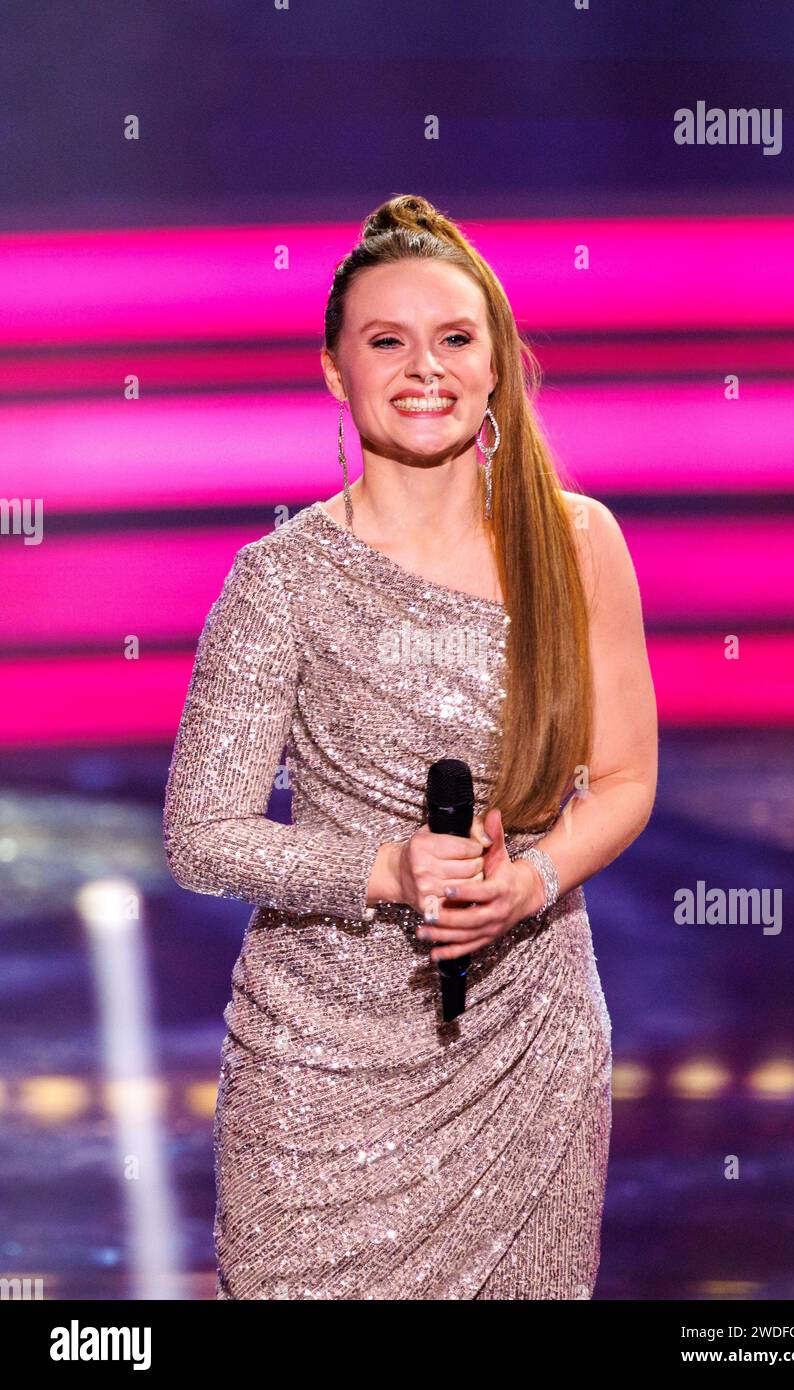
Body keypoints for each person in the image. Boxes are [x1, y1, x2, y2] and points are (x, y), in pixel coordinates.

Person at [162, 194, 658, 1300]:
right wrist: (379, 867)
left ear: (496, 365)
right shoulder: (278, 579)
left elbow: (623, 780)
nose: (421, 368)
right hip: (319, 1071)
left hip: (525, 1040)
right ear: (335, 370)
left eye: (453, 339)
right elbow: (201, 835)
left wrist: (529, 881)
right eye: (385, 341)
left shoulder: (577, 543)